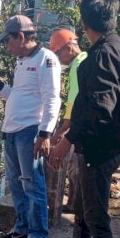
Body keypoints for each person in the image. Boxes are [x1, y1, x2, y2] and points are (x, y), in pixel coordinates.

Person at [47, 0, 120, 238]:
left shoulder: (101, 55)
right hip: (109, 145)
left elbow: (99, 108)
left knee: (96, 217)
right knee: (84, 213)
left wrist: (65, 142)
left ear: (85, 22)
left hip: (97, 148)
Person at [0, 14, 61, 238]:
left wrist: (45, 134)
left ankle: (39, 236)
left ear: (20, 36)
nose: (7, 46)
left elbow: (52, 99)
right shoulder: (22, 61)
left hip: (29, 132)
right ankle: (22, 228)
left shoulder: (46, 59)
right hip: (12, 131)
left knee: (32, 184)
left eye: (8, 41)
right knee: (17, 184)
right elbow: (18, 96)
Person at [48, 29, 88, 213]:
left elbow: (73, 104)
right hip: (86, 124)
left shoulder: (78, 66)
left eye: (58, 53)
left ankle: (75, 204)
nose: (57, 57)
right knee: (76, 167)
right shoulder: (86, 59)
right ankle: (73, 203)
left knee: (74, 168)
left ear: (69, 47)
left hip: (79, 126)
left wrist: (61, 131)